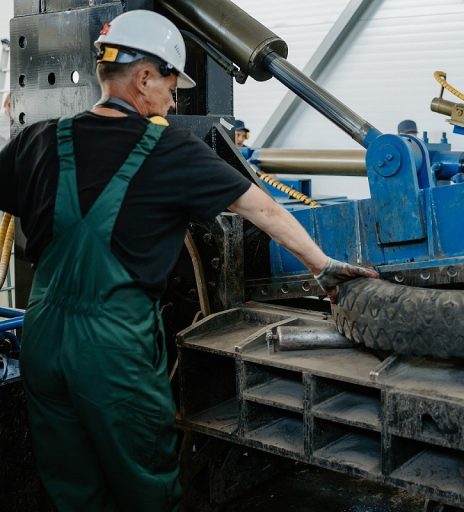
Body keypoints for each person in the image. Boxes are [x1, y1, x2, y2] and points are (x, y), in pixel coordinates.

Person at [0, 10, 377, 511]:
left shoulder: (38, 140)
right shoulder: (169, 149)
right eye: (171, 83)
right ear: (144, 77)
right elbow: (260, 206)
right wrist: (320, 264)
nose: (174, 99)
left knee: (69, 485)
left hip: (43, 338)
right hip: (113, 350)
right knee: (145, 483)